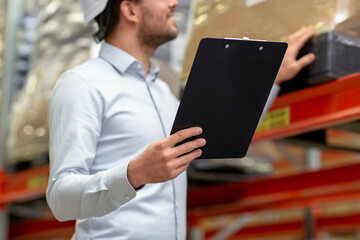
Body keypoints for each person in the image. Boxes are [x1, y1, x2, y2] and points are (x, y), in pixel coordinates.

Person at [46, 0, 316, 239]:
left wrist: (272, 77)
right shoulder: (82, 84)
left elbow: (223, 133)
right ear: (129, 9)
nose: (174, 3)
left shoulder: (162, 90)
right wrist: (135, 173)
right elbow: (60, 198)